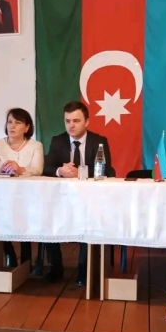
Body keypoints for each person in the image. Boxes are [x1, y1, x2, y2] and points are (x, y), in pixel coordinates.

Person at [42, 101, 114, 285]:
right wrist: (60, 170)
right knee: (48, 218)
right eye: (67, 121)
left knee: (89, 223)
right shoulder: (58, 141)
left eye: (76, 121)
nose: (71, 125)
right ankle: (55, 268)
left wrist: (80, 172)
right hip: (62, 200)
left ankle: (84, 270)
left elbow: (108, 171)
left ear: (87, 122)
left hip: (90, 201)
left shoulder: (99, 141)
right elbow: (46, 168)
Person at [0, 108, 44, 267]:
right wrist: (0, 170)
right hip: (1, 197)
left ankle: (27, 260)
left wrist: (20, 169)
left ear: (27, 127)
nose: (12, 126)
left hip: (28, 197)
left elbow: (38, 170)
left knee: (26, 219)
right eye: (9, 122)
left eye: (18, 122)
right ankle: (9, 252)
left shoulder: (36, 146)